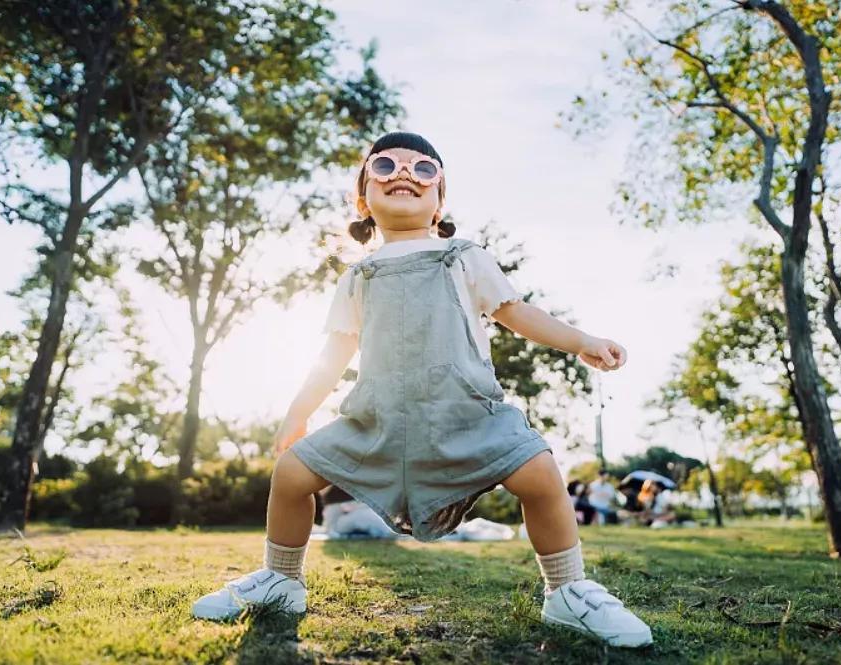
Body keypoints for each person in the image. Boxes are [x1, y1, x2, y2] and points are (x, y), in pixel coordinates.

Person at [191, 132, 652, 648]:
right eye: (385, 166)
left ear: (440, 201)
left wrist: (581, 340)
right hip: (377, 423)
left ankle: (568, 592)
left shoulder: (462, 257)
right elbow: (332, 357)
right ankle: (281, 581)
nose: (404, 174)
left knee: (541, 473)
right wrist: (297, 414)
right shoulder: (358, 277)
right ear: (363, 199)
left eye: (423, 169)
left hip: (466, 417)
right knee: (292, 473)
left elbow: (516, 312)